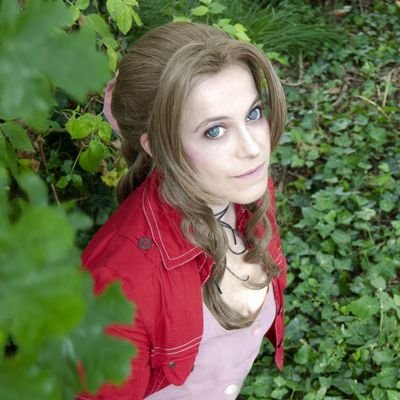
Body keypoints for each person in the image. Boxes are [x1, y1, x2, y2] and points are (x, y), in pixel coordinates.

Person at [79, 21, 287, 400]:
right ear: (155, 146)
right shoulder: (119, 288)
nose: (254, 148)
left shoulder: (244, 187)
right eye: (215, 131)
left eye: (253, 113)